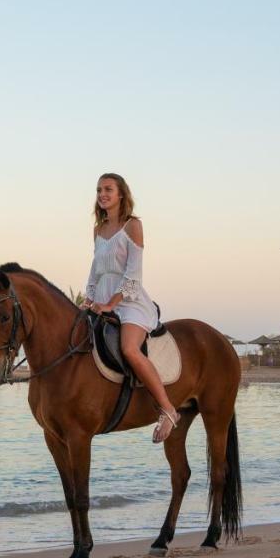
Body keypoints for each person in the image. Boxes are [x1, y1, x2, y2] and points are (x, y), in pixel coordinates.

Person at [79, 173, 180, 442]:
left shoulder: (132, 226)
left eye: (108, 189)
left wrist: (112, 304)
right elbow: (96, 270)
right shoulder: (98, 230)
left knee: (129, 349)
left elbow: (133, 275)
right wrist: (89, 299)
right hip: (101, 300)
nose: (102, 194)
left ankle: (168, 408)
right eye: (99, 189)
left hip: (130, 302)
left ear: (121, 194)